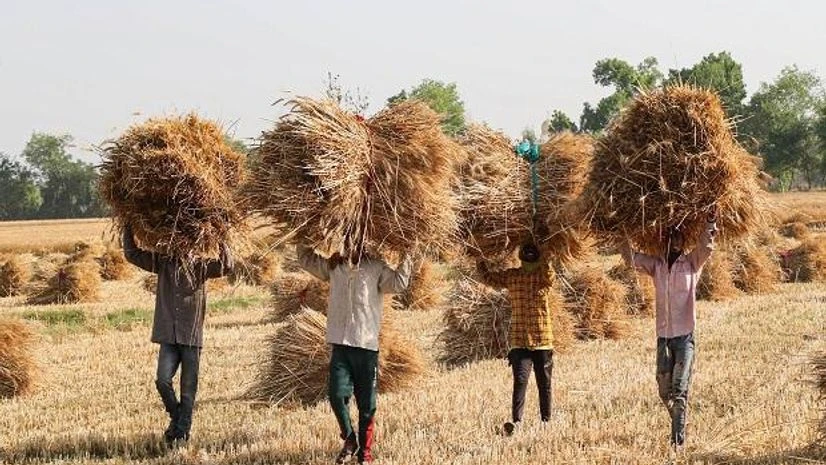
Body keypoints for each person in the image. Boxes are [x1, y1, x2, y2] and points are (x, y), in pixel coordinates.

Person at [297, 242, 413, 465]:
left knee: (367, 405)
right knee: (337, 395)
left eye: (356, 241)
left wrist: (408, 250)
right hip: (340, 344)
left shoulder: (376, 267)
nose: (352, 246)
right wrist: (303, 235)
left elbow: (399, 283)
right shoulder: (335, 266)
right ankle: (349, 439)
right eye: (348, 241)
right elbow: (307, 260)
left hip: (366, 346)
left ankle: (365, 454)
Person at [122, 224, 233, 446]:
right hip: (168, 335)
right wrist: (129, 225)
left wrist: (221, 237)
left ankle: (181, 432)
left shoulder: (201, 266)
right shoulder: (162, 263)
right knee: (163, 380)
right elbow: (132, 254)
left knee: (188, 390)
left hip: (191, 335)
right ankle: (177, 418)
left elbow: (226, 266)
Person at [620, 209, 717, 451]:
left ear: (683, 241)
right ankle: (678, 419)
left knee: (680, 389)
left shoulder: (692, 263)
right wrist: (619, 231)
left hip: (685, 337)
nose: (674, 241)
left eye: (678, 237)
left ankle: (677, 441)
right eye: (671, 237)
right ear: (665, 240)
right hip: (663, 338)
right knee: (664, 392)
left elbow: (707, 246)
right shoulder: (657, 266)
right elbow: (630, 257)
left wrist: (710, 221)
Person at [477, 242, 556, 436]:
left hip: (542, 340)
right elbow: (489, 278)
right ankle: (517, 422)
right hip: (520, 341)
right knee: (521, 381)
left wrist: (478, 259)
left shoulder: (543, 276)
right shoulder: (513, 276)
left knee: (543, 384)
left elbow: (549, 271)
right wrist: (478, 255)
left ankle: (546, 421)